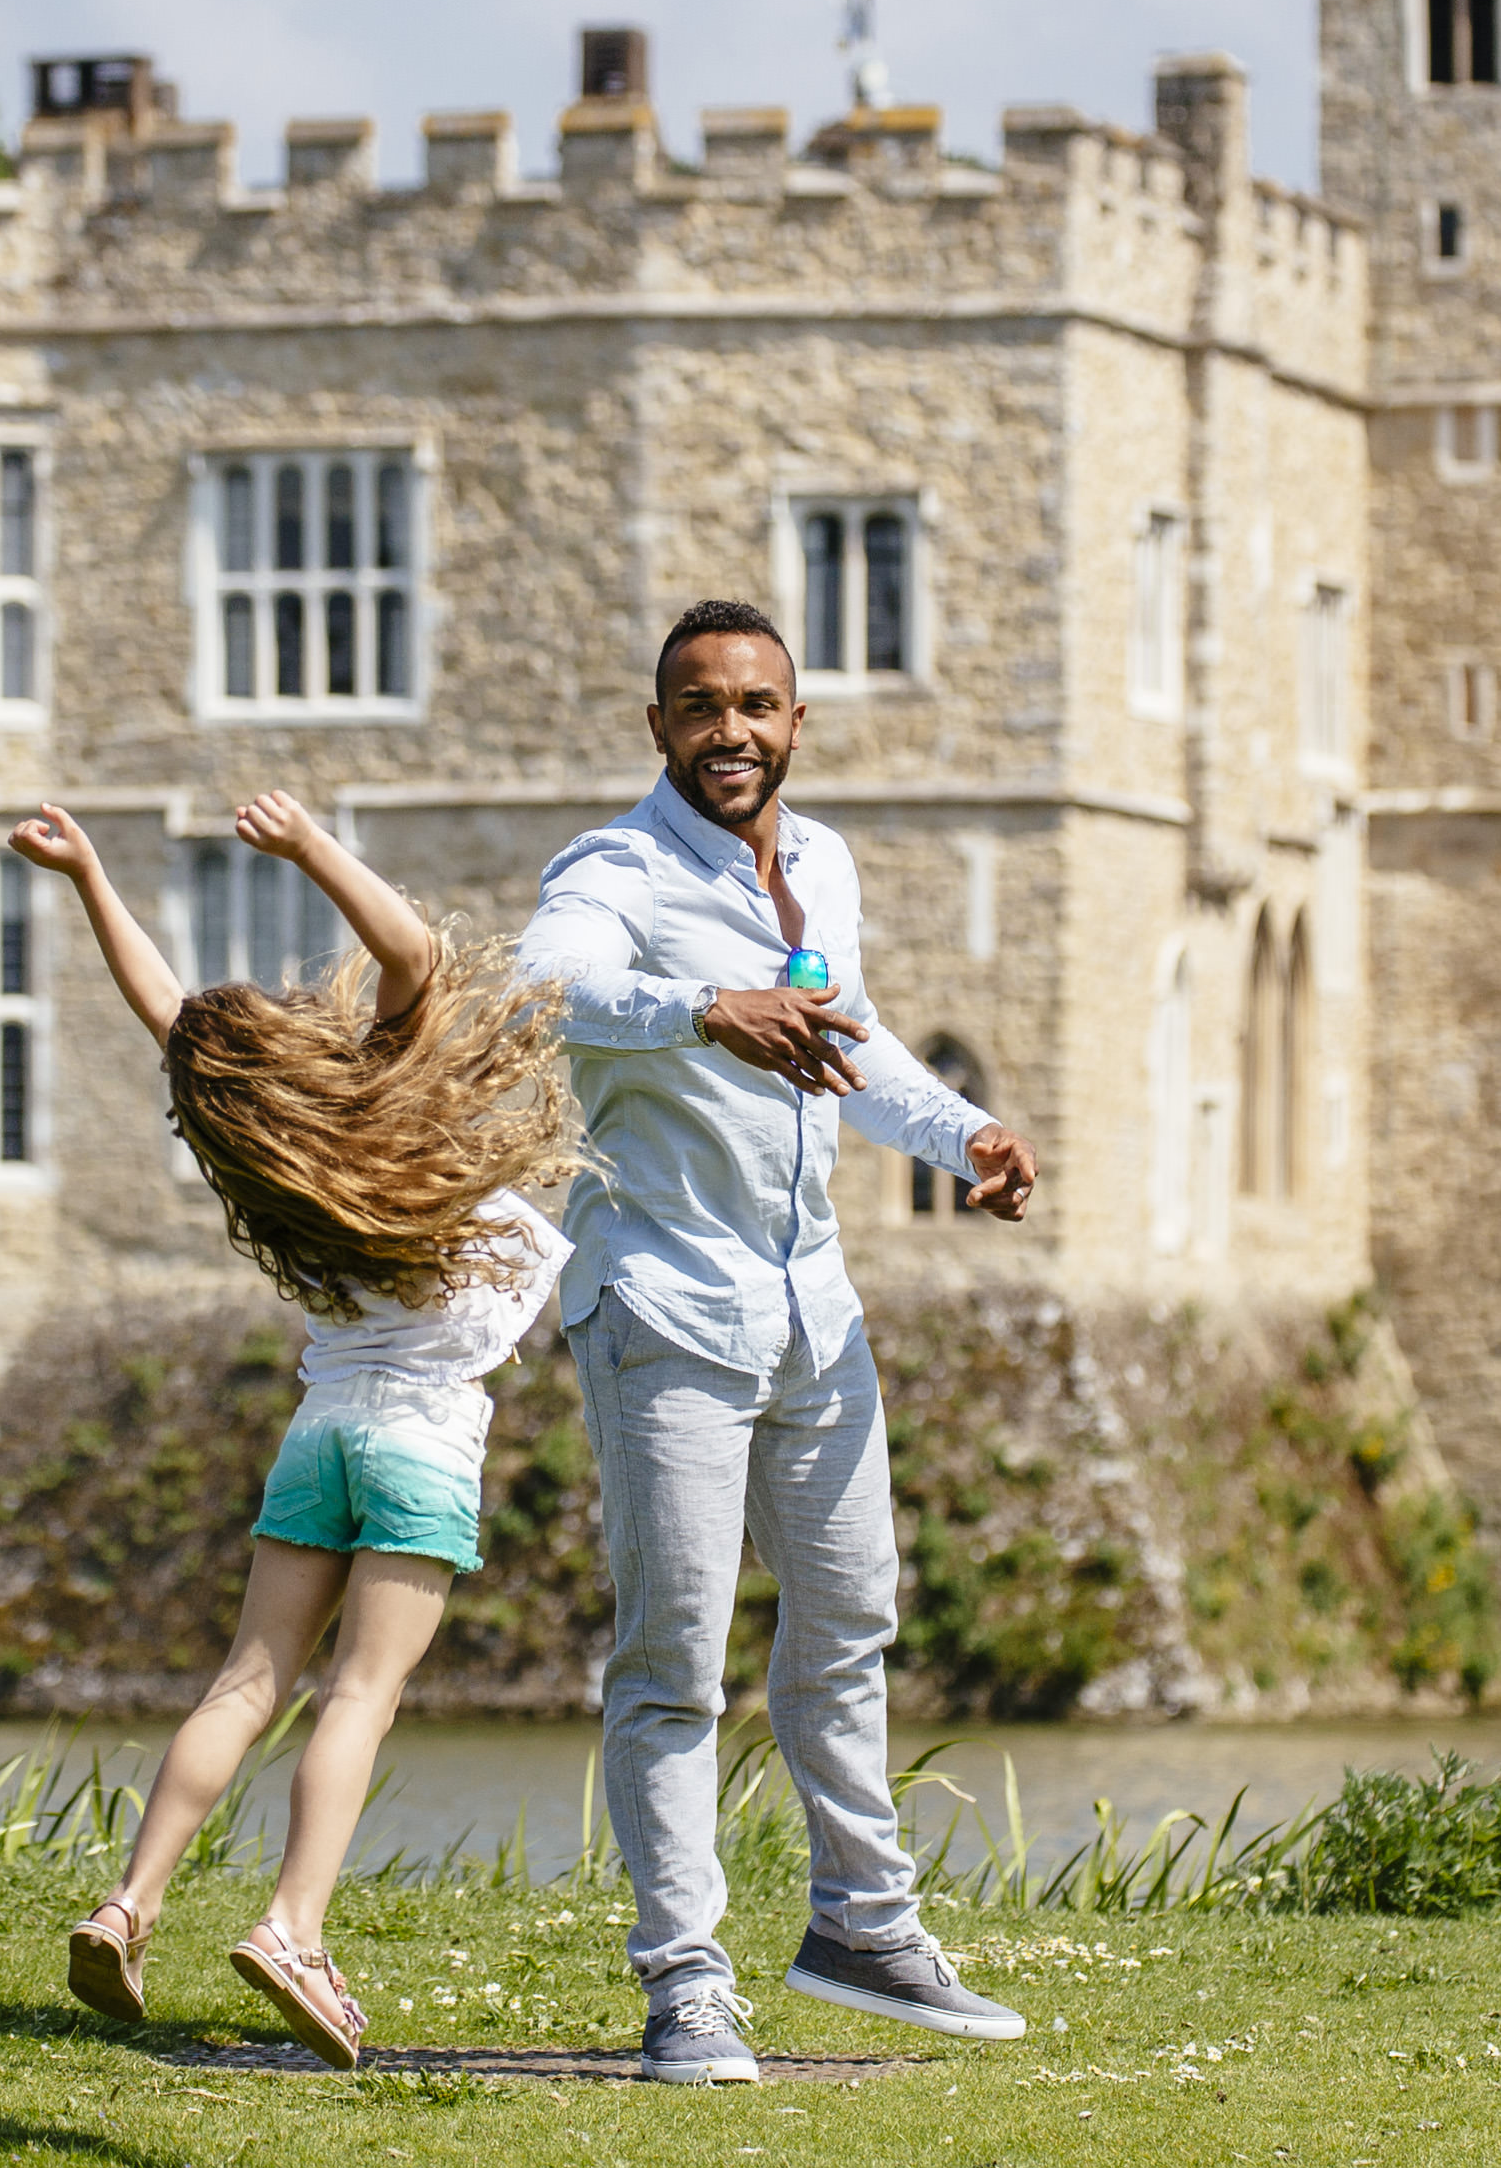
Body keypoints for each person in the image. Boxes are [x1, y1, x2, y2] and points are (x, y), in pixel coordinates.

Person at [516, 597, 1044, 2086]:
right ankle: (685, 1985)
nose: (728, 731)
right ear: (657, 725)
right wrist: (700, 1008)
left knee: (847, 1622)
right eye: (698, 706)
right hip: (665, 1307)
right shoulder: (610, 867)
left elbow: (850, 1040)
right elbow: (532, 986)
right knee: (674, 1658)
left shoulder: (819, 862)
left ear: (794, 721)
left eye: (754, 704)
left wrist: (964, 1134)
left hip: (814, 1305)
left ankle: (862, 1925)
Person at [15, 789, 579, 2072]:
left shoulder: (262, 1155)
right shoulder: (377, 1107)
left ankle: (128, 1902)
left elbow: (166, 1018)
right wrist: (312, 846)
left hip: (320, 1431)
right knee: (361, 1694)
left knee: (246, 1680)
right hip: (422, 1440)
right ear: (288, 1051)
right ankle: (293, 1928)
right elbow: (413, 957)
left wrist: (91, 875)